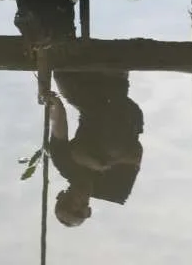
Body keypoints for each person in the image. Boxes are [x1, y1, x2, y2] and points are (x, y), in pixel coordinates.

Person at [43, 72, 144, 228]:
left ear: (62, 195)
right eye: (79, 207)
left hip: (92, 110)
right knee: (114, 149)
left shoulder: (64, 163)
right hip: (125, 117)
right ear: (87, 209)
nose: (77, 200)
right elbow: (136, 153)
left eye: (69, 202)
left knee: (63, 78)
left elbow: (59, 125)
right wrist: (101, 164)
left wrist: (53, 101)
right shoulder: (115, 191)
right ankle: (118, 76)